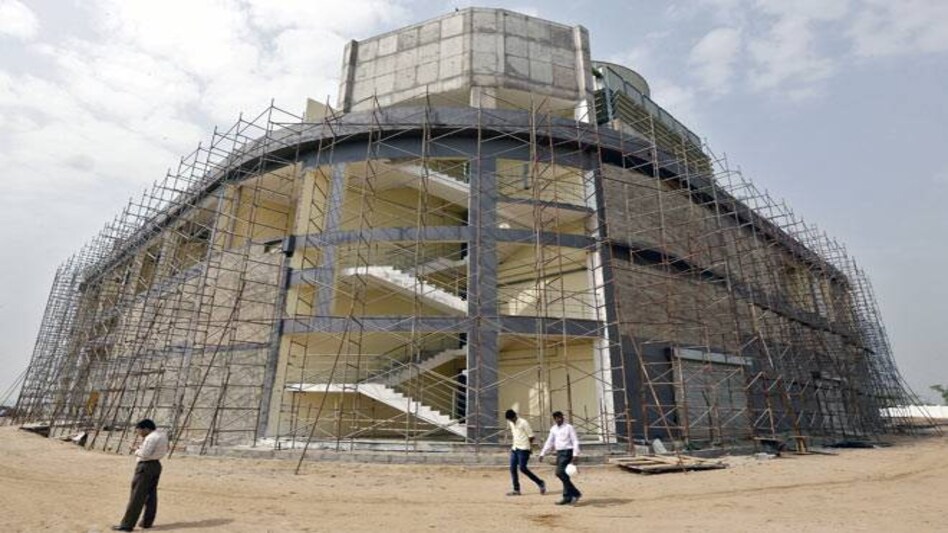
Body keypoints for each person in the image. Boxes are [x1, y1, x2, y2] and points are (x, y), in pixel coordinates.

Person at [112, 419, 169, 531]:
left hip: (145, 467)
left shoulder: (150, 438)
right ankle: (147, 522)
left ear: (146, 429)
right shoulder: (162, 435)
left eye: (139, 431)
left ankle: (127, 524)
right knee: (151, 496)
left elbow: (145, 454)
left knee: (137, 496)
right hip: (156, 465)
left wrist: (136, 450)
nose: (139, 433)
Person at [538, 411, 581, 505]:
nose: (559, 419)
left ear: (563, 417)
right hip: (559, 453)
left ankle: (575, 493)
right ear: (554, 419)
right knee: (564, 475)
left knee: (559, 472)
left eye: (560, 417)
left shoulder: (569, 427)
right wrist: (542, 453)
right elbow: (549, 442)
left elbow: (575, 441)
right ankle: (567, 497)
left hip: (567, 452)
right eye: (557, 418)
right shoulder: (553, 429)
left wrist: (575, 454)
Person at [504, 409, 546, 496]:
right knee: (512, 468)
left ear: (515, 416)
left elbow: (531, 436)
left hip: (524, 449)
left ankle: (540, 482)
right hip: (515, 448)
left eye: (512, 419)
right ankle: (516, 490)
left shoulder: (524, 422)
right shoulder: (511, 423)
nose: (511, 421)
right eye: (509, 420)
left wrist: (529, 447)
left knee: (523, 468)